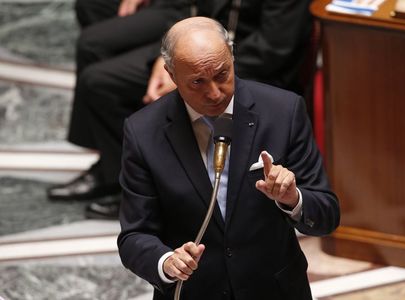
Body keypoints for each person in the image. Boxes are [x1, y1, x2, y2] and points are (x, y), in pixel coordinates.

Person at [117, 17, 339, 300]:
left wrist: (293, 198)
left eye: (222, 74)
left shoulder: (283, 111)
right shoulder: (143, 132)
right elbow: (134, 236)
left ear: (232, 57)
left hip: (274, 290)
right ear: (172, 76)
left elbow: (327, 214)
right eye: (197, 81)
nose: (214, 93)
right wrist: (166, 262)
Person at [47, 0, 315, 220]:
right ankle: (116, 171)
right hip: (198, 56)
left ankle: (131, 187)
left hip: (243, 69)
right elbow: (193, 15)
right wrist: (165, 61)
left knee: (99, 81)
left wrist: (197, 76)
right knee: (97, 73)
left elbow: (274, 49)